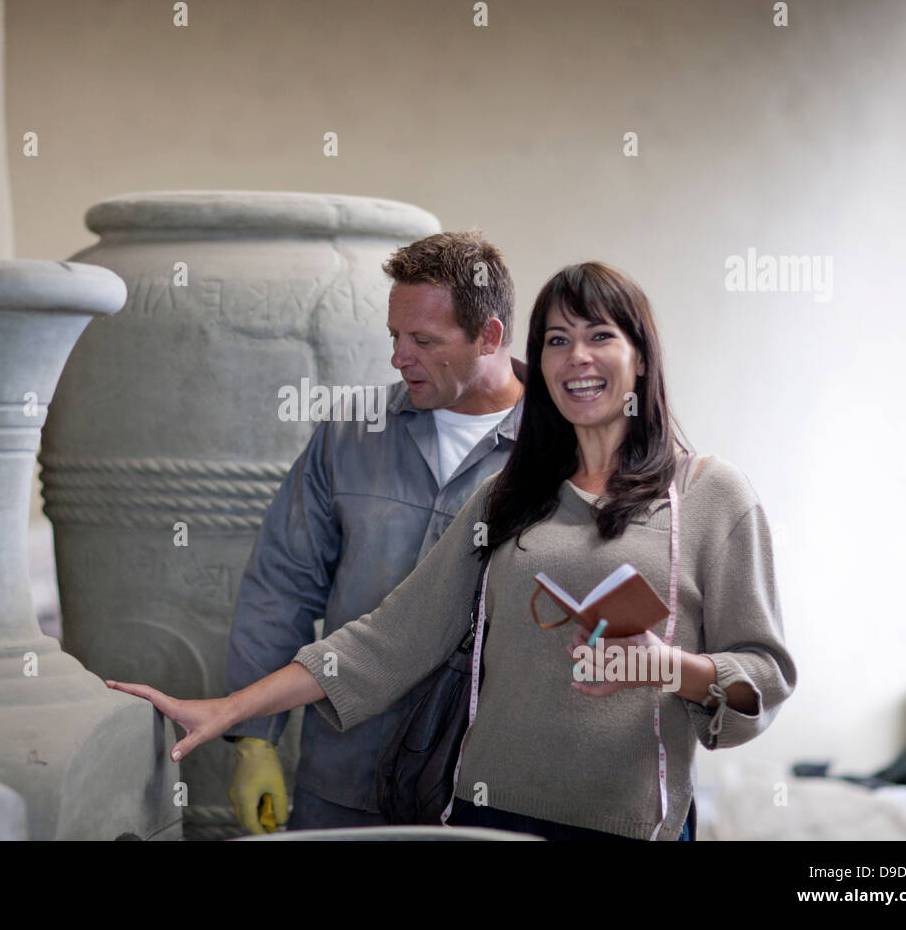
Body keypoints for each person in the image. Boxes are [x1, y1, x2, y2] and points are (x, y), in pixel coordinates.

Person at [109, 262, 797, 840]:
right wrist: (233, 714)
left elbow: (764, 672)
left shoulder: (711, 495)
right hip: (486, 819)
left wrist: (675, 669)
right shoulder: (509, 494)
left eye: (600, 336)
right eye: (556, 339)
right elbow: (387, 641)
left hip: (628, 822)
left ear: (640, 357)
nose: (576, 357)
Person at [218, 230, 525, 833]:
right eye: (394, 335)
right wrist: (255, 742)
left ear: (489, 336)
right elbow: (280, 588)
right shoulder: (349, 436)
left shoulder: (558, 454)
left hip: (482, 793)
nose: (398, 357)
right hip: (341, 779)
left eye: (423, 340)